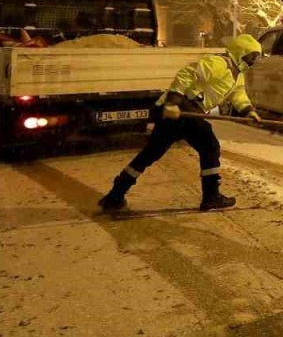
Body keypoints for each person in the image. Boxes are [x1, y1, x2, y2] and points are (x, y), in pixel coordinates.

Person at [98, 34, 263, 212]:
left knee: (152, 153)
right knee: (209, 146)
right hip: (181, 107)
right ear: (241, 52)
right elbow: (186, 74)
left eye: (256, 57)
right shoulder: (219, 63)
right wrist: (172, 102)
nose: (254, 60)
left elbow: (238, 95)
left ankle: (116, 194)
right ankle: (211, 196)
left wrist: (248, 111)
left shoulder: (238, 75)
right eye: (252, 56)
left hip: (187, 113)